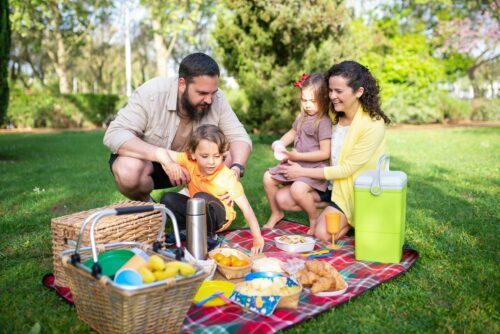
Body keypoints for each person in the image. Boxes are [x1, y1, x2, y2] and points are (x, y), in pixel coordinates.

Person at [103, 53, 252, 202]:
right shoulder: (152, 92)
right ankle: (151, 208)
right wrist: (160, 155)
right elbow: (115, 134)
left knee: (229, 156)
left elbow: (239, 137)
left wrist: (237, 167)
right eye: (202, 93)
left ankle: (192, 201)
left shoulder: (217, 99)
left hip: (194, 164)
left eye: (213, 92)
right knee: (127, 169)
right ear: (182, 84)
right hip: (151, 163)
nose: (209, 100)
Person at [275, 61, 391, 241]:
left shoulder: (373, 125)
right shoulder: (331, 115)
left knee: (322, 234)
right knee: (282, 199)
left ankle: (352, 219)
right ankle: (328, 210)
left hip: (352, 191)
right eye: (330, 90)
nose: (332, 96)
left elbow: (346, 170)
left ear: (358, 92)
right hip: (329, 185)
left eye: (339, 91)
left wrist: (301, 171)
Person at [160, 124, 265, 255]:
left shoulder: (227, 177)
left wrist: (257, 237)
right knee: (167, 198)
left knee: (200, 197)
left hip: (219, 218)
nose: (211, 162)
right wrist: (168, 163)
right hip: (198, 209)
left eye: (216, 156)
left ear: (223, 154)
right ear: (192, 154)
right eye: (204, 156)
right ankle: (183, 231)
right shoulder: (189, 162)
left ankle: (210, 238)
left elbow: (247, 209)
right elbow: (160, 152)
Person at [262, 73, 332, 235]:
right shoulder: (302, 117)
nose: (307, 105)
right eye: (304, 100)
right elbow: (293, 132)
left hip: (313, 167)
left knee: (298, 190)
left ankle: (314, 217)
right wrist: (280, 143)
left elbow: (325, 153)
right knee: (267, 177)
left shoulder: (323, 122)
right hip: (295, 162)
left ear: (324, 99)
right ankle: (276, 213)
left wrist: (297, 156)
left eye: (313, 101)